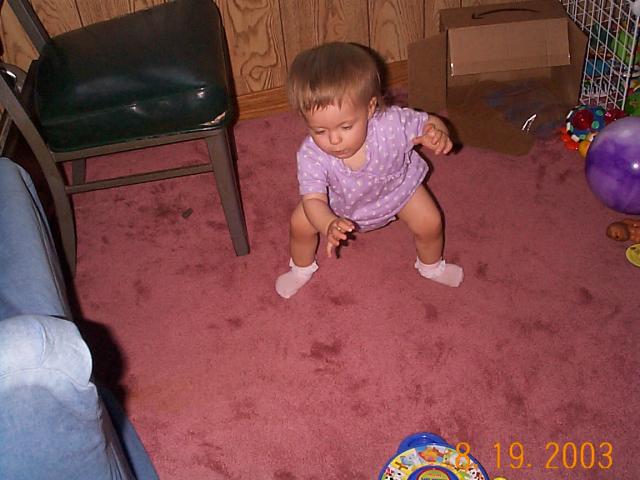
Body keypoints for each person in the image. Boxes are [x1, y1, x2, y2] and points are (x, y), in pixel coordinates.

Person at [275, 42, 463, 299]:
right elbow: (314, 200)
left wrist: (437, 133)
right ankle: (301, 268)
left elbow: (427, 122)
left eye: (345, 127)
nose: (334, 140)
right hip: (338, 204)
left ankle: (431, 266)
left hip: (398, 190)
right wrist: (328, 223)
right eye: (319, 130)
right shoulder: (311, 154)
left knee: (431, 222)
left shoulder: (392, 123)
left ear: (370, 107)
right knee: (299, 225)